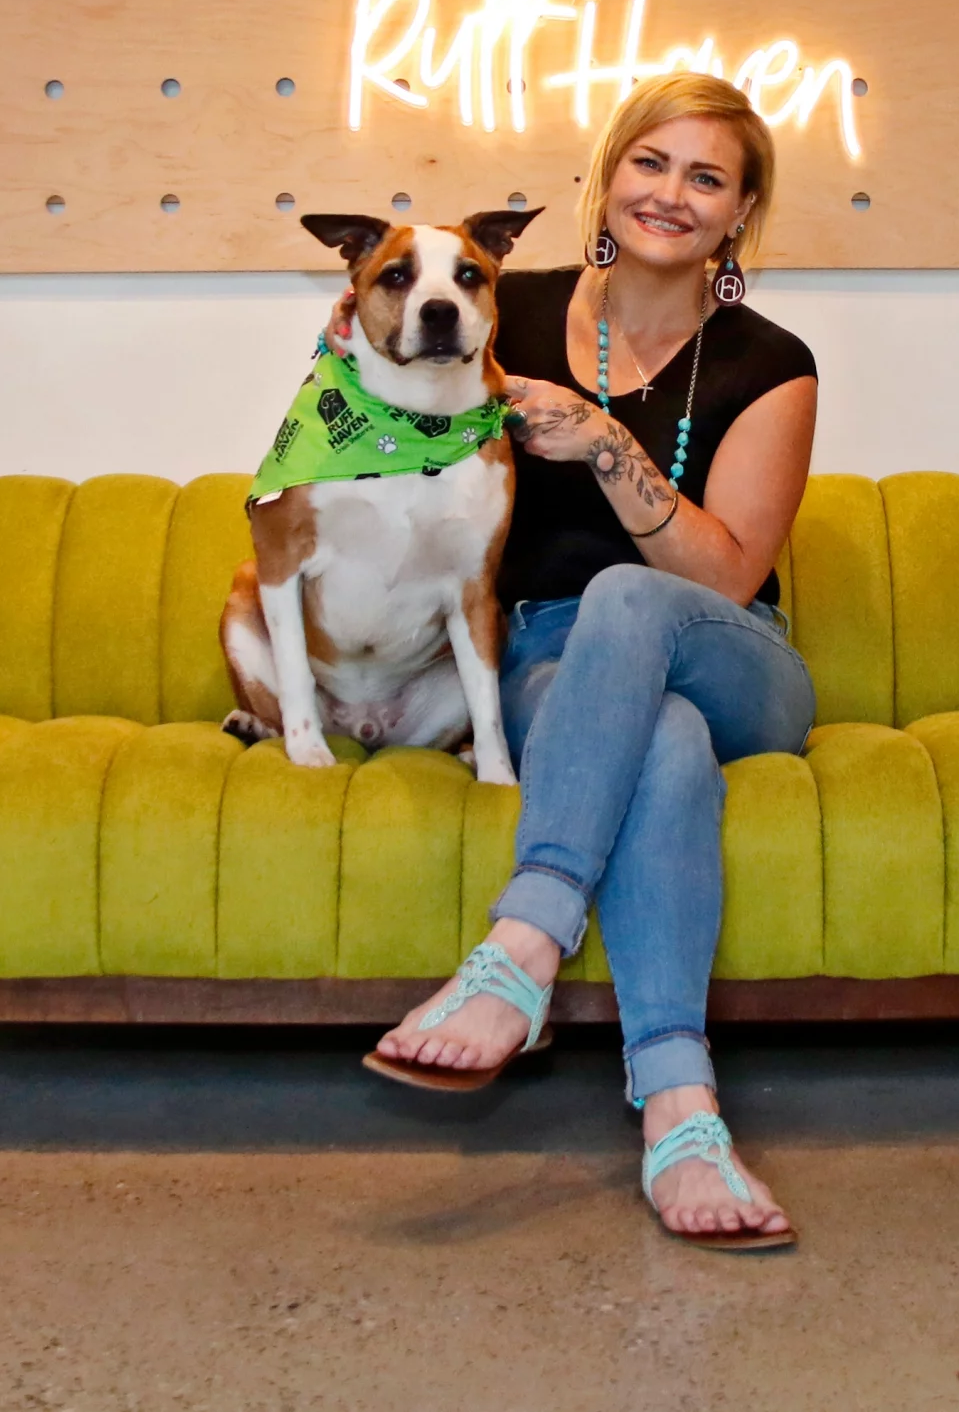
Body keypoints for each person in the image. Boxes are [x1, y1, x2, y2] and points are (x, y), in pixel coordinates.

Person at [364, 72, 820, 1249]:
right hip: (552, 667)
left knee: (630, 596)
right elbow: (366, 405)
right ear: (608, 178)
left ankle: (522, 943)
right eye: (649, 163)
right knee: (658, 740)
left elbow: (725, 577)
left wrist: (608, 441)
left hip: (729, 656)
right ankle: (680, 1112)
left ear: (739, 212)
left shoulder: (771, 362)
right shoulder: (494, 307)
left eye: (706, 177)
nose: (670, 193)